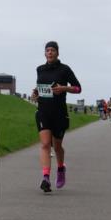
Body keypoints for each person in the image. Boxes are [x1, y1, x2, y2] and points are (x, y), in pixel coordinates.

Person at [31, 42, 81, 192]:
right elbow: (40, 89)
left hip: (59, 113)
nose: (50, 53)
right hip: (43, 111)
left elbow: (78, 88)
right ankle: (45, 178)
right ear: (45, 53)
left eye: (53, 50)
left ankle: (61, 169)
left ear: (58, 53)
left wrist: (63, 88)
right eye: (47, 50)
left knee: (57, 146)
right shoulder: (40, 69)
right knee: (45, 144)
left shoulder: (65, 69)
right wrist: (35, 94)